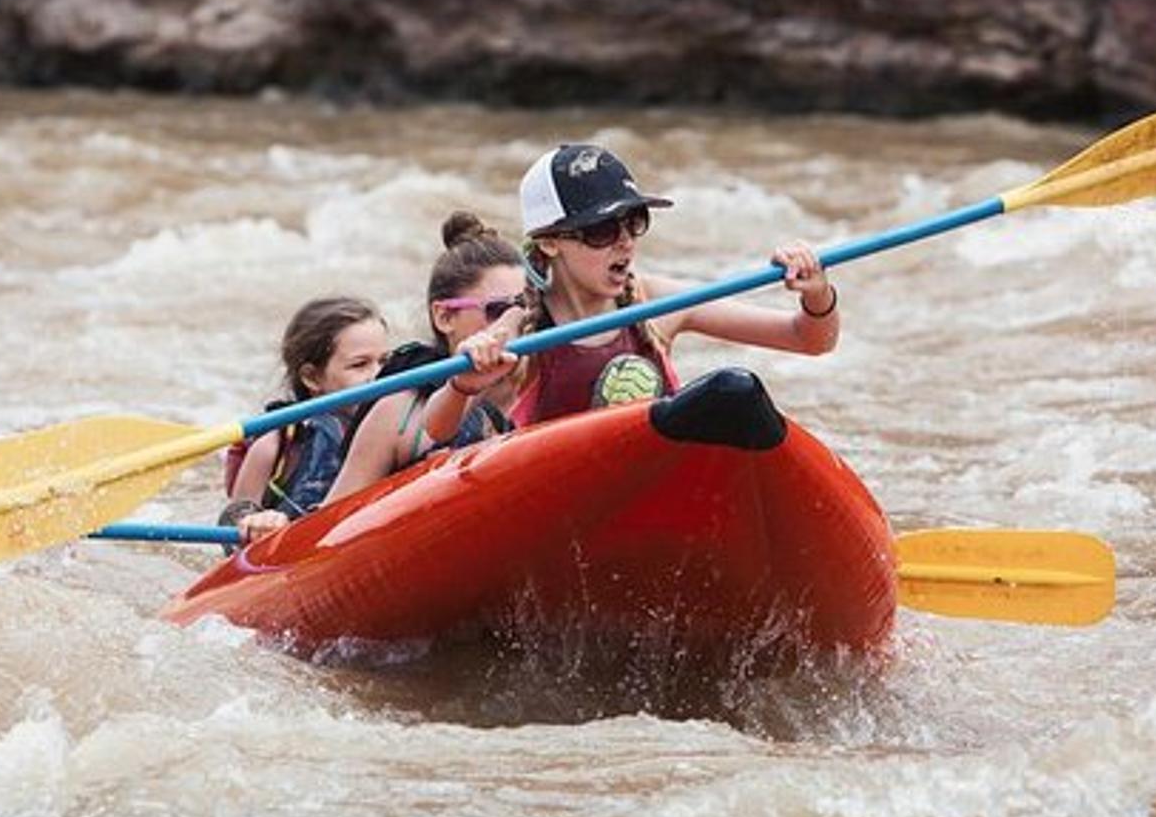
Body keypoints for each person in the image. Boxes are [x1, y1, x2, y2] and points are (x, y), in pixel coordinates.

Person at [455, 143, 840, 425]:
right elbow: (438, 430)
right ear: (549, 242)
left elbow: (808, 340)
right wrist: (463, 382)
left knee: (733, 392)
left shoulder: (656, 302)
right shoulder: (521, 330)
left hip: (649, 481)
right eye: (602, 229)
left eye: (634, 221)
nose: (625, 241)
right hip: (563, 500)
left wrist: (818, 294)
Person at [323, 212, 527, 503]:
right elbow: (332, 526)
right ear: (444, 316)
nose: (511, 323)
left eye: (523, 307)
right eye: (496, 310)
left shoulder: (546, 373)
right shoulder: (397, 410)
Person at [221, 295, 388, 543]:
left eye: (384, 361)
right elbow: (232, 521)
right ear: (312, 377)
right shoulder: (276, 444)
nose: (379, 375)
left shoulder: (399, 419)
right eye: (359, 365)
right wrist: (255, 521)